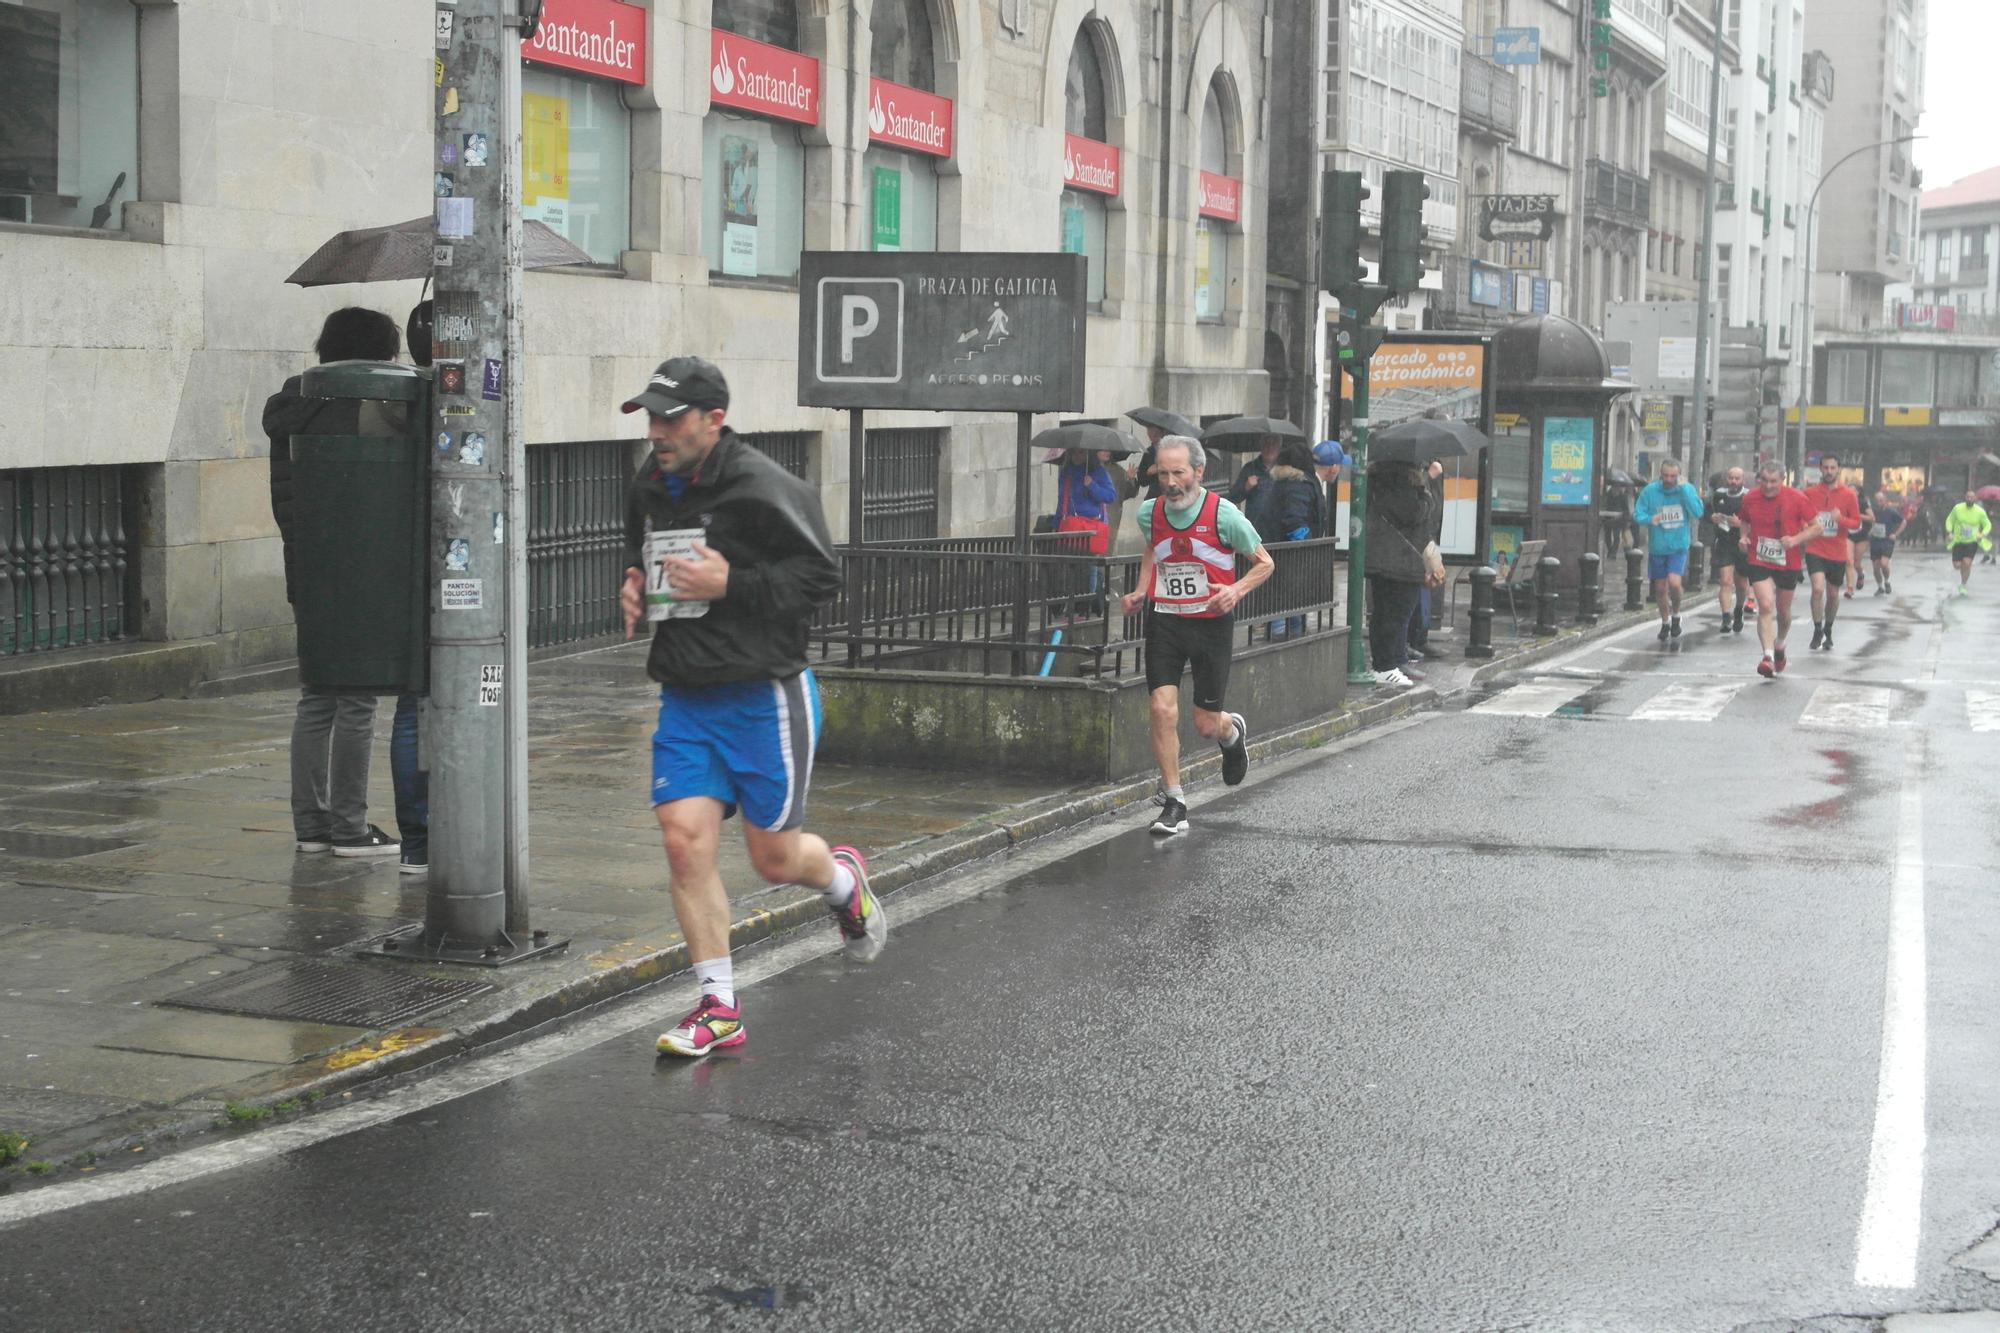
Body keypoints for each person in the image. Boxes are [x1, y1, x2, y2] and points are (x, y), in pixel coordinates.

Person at [614, 356, 886, 1060]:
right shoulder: (650, 482)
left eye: (671, 418)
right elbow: (639, 551)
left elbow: (822, 575)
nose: (658, 431)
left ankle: (842, 881)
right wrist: (636, 582)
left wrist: (731, 579)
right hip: (686, 690)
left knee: (773, 860)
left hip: (764, 692)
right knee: (682, 840)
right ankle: (719, 1005)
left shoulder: (764, 486)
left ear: (714, 419)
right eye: (651, 417)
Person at [263, 308, 404, 860]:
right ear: (376, 354)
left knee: (317, 696)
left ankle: (311, 825)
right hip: (363, 568)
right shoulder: (370, 402)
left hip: (308, 565)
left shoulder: (294, 401)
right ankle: (349, 827)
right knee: (359, 701)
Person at [1117, 436, 1271, 837]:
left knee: (1205, 724)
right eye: (1164, 473)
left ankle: (1231, 732)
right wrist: (1141, 590)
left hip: (1210, 624)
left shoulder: (1224, 515)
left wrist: (1235, 590)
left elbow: (1264, 562)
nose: (1171, 482)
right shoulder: (1150, 513)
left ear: (1198, 472)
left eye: (1179, 473)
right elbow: (1154, 549)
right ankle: (1174, 800)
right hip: (1166, 621)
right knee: (1161, 707)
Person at [1736, 461, 1820, 678]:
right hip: (1759, 557)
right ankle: (1767, 656)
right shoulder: (1751, 498)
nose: (1768, 486)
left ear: (1783, 480)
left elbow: (1817, 527)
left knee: (1783, 612)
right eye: (1764, 480)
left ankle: (1780, 644)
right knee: (1765, 605)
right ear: (1759, 479)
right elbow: (1744, 521)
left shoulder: (1797, 498)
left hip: (1787, 560)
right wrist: (1743, 537)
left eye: (1774, 481)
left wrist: (1795, 540)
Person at [1362, 458, 1433, 689]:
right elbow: (1413, 514)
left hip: (1386, 559)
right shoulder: (1401, 485)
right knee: (1396, 614)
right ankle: (1386, 666)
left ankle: (1386, 664)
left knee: (1385, 613)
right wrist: (1425, 493)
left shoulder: (1379, 482)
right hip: (1399, 561)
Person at [1631, 460, 1704, 642]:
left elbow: (1697, 512)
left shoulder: (1686, 490)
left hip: (1678, 546)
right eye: (1665, 475)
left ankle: (1677, 614)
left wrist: (1686, 489)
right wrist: (1650, 519)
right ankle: (1665, 621)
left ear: (1679, 476)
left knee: (1674, 582)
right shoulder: (1650, 491)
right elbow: (1637, 514)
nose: (1669, 479)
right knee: (1660, 588)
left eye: (1673, 476)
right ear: (1660, 474)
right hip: (1658, 547)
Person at [1799, 453, 1862, 650]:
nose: (1829, 471)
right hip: (1815, 548)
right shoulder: (1809, 493)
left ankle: (1828, 628)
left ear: (1838, 469)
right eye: (1825, 468)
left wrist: (1840, 519)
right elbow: (1800, 516)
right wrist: (1805, 528)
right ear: (1820, 469)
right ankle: (1817, 629)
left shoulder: (1848, 495)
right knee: (1817, 589)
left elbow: (1856, 522)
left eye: (1832, 468)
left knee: (1833, 594)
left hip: (1837, 551)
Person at [1404, 459, 1446, 672]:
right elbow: (1418, 510)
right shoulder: (1418, 479)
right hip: (1415, 544)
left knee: (1426, 590)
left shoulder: (1432, 480)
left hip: (1427, 540)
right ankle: (1411, 640)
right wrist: (1427, 478)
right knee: (1414, 594)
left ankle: (1419, 637)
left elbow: (1432, 508)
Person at [1706, 466, 1752, 633]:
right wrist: (1712, 517)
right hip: (1724, 543)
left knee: (1741, 583)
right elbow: (1707, 511)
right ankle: (1726, 617)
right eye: (1731, 478)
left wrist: (1740, 524)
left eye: (1737, 479)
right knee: (1725, 581)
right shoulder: (1719, 494)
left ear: (1743, 480)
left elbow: (1757, 521)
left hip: (1742, 543)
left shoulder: (1749, 497)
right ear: (1726, 479)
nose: (1733, 482)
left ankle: (1738, 609)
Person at [1051, 447, 1117, 554]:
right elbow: (1062, 500)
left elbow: (1110, 496)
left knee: (1090, 566)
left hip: (1092, 527)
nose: (1077, 456)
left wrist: (1092, 485)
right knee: (1068, 566)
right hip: (1070, 527)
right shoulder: (1066, 473)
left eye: (1081, 452)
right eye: (1073, 452)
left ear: (1088, 454)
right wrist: (1056, 524)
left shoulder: (1098, 472)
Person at [1944, 489, 1994, 594]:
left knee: (1966, 563)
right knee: (1957, 565)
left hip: (1972, 541)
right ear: (1965, 497)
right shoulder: (1957, 508)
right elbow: (1949, 520)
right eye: (1968, 497)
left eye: (1972, 497)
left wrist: (1983, 534)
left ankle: (1963, 584)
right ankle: (1964, 570)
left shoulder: (1980, 511)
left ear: (1975, 499)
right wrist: (1949, 532)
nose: (1970, 499)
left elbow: (1987, 525)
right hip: (1958, 540)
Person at [1867, 489, 1904, 594]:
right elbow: (1869, 523)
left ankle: (1887, 581)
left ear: (1885, 500)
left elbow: (1903, 522)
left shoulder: (1891, 511)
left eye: (1881, 500)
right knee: (1875, 568)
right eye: (1877, 500)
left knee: (1884, 564)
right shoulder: (1872, 512)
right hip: (1875, 541)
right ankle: (1880, 586)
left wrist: (1895, 534)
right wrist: (1869, 531)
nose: (1879, 503)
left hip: (1887, 541)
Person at [1227, 435, 1281, 505]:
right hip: (1254, 516)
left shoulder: (1285, 470)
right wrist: (1246, 487)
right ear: (1261, 446)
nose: (1270, 448)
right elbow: (1232, 498)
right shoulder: (1250, 468)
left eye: (1273, 444)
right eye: (1266, 444)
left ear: (1279, 448)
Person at [1845, 488, 1875, 597]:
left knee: (1857, 563)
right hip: (1848, 534)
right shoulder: (1844, 501)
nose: (1851, 492)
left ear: (1858, 493)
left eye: (1854, 490)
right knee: (1849, 561)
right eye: (1849, 490)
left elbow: (1872, 518)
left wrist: (1858, 515)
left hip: (1862, 534)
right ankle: (1850, 588)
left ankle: (1860, 574)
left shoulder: (1863, 503)